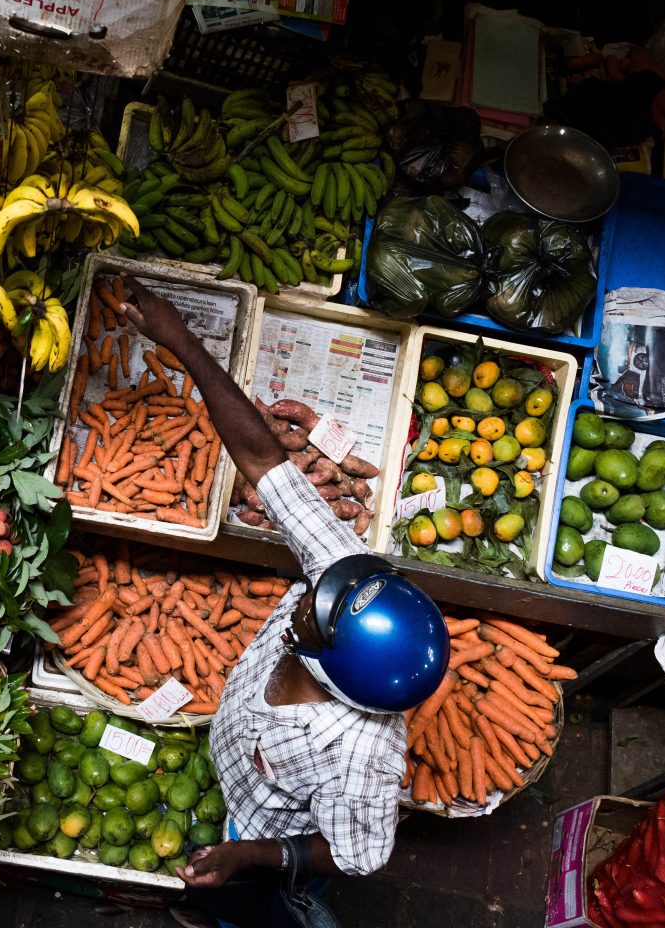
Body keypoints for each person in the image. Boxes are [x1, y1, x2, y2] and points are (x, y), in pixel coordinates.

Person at [117, 279, 450, 928]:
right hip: (233, 758)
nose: (308, 592)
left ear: (331, 671)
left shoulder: (358, 757)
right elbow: (264, 460)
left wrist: (251, 853)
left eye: (309, 612)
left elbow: (360, 855)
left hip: (261, 829)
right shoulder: (343, 581)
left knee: (236, 905)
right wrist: (182, 340)